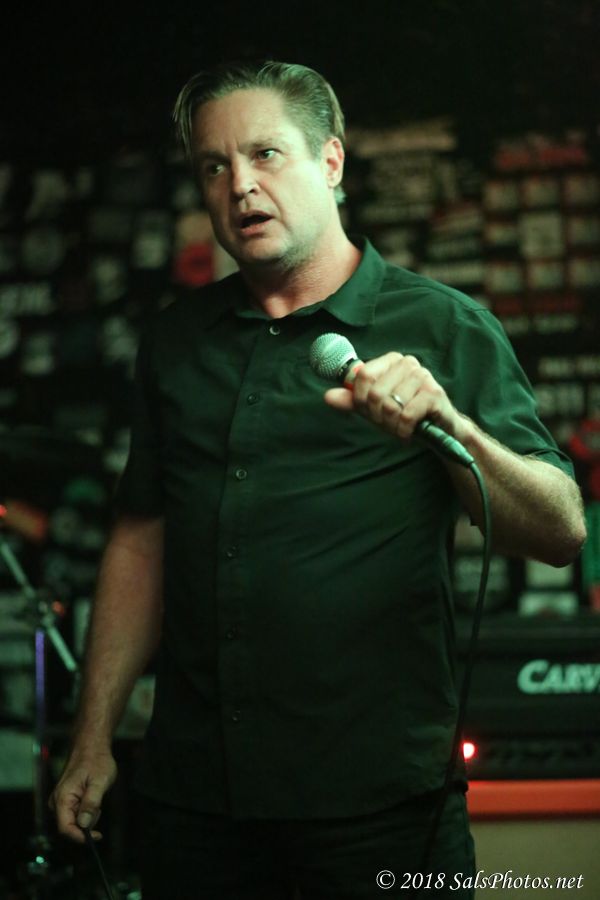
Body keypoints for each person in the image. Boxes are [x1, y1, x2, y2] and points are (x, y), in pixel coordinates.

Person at [50, 60, 586, 899]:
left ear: (331, 161)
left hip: (380, 808)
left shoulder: (443, 326)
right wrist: (92, 737)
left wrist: (453, 427)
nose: (240, 186)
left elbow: (560, 531)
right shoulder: (176, 343)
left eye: (265, 154)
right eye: (214, 166)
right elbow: (141, 539)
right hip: (196, 804)